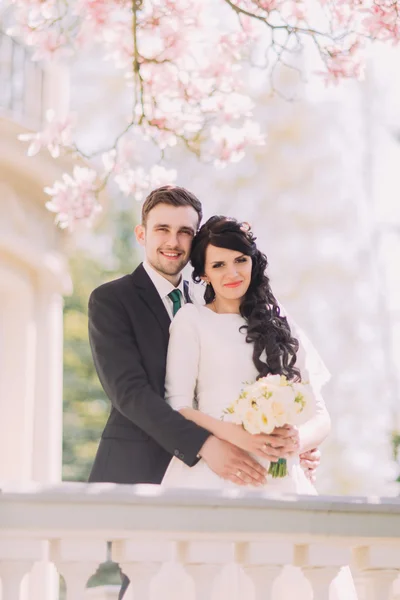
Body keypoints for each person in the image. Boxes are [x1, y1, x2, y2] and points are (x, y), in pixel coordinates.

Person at [87, 186, 321, 597]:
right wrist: (207, 444)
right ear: (142, 234)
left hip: (248, 471)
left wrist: (294, 440)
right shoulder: (112, 300)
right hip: (145, 467)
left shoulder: (217, 296)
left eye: (184, 231)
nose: (173, 241)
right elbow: (130, 394)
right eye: (163, 228)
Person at [161, 215, 358, 598]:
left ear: (254, 261)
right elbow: (178, 405)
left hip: (282, 479)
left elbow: (321, 414)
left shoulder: (281, 325)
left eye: (240, 259)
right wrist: (235, 434)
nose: (232, 272)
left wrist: (296, 442)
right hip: (216, 472)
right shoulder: (192, 320)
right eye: (218, 264)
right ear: (202, 274)